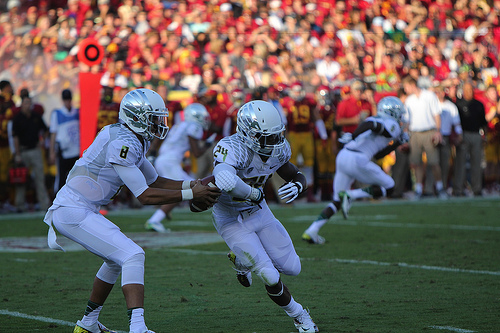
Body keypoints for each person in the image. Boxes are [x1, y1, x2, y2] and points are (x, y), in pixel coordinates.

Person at [43, 89, 221, 333]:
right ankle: (137, 328)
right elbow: (145, 195)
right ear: (136, 117)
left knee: (116, 260)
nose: (160, 123)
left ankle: (87, 325)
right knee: (132, 255)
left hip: (82, 208)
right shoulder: (123, 142)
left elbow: (155, 180)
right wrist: (192, 194)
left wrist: (193, 184)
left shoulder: (132, 137)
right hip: (72, 209)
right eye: (155, 117)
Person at [211, 100, 318, 333]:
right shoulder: (232, 147)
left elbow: (292, 172)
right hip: (230, 217)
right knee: (269, 274)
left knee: (293, 267)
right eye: (267, 137)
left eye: (277, 135)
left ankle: (240, 260)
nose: (275, 142)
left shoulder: (277, 147)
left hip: (259, 210)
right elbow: (224, 178)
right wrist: (250, 191)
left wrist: (299, 185)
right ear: (248, 134)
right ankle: (300, 315)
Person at [302, 97, 408, 244]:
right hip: (357, 159)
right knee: (390, 186)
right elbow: (373, 125)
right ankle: (351, 195)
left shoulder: (377, 119)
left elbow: (378, 154)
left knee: (337, 200)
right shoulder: (390, 124)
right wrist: (353, 135)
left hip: (344, 155)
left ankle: (312, 230)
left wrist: (396, 144)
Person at [145, 103, 215, 232]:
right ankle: (154, 220)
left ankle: (163, 211)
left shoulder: (180, 125)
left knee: (192, 186)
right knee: (183, 192)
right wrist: (207, 144)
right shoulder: (194, 126)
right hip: (169, 161)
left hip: (165, 159)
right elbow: (197, 153)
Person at [402, 76, 447, 199]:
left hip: (429, 131)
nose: (405, 90)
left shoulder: (429, 96)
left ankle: (439, 187)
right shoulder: (409, 100)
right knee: (416, 163)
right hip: (415, 133)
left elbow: (436, 114)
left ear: (412, 85)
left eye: (406, 87)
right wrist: (405, 136)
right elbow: (407, 121)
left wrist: (438, 131)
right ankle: (418, 189)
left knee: (434, 162)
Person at [11, 95, 50, 212]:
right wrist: (17, 154)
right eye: (26, 103)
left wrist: (42, 140)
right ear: (22, 104)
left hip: (35, 150)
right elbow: (15, 137)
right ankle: (20, 205)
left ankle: (44, 204)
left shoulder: (36, 117)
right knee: (21, 179)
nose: (28, 105)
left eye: (30, 103)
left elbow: (46, 129)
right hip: (23, 150)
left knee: (40, 178)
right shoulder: (17, 119)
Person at [454, 81, 488, 196]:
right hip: (463, 134)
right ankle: (458, 189)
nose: (469, 92)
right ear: (463, 91)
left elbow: (483, 123)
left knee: (476, 163)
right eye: (466, 90)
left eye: (471, 90)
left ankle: (476, 188)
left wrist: (485, 136)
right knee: (460, 163)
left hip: (476, 135)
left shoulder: (479, 104)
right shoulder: (458, 104)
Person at [49, 88, 80, 194]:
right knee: (61, 177)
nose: (67, 101)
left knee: (76, 177)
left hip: (76, 150)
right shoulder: (57, 114)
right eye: (66, 99)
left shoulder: (77, 112)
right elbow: (53, 134)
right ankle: (57, 199)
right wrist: (52, 152)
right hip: (63, 151)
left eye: (69, 99)